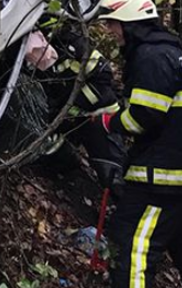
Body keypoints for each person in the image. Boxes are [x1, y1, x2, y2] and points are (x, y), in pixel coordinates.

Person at [95, 0, 182, 288]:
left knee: (134, 252)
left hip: (165, 182)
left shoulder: (150, 57)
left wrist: (108, 123)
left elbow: (143, 118)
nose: (110, 31)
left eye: (113, 23)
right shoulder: (170, 51)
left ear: (129, 21)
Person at [28, 25, 125, 189]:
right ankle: (70, 178)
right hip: (68, 117)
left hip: (99, 115)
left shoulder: (74, 44)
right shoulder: (30, 61)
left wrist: (73, 105)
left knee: (112, 172)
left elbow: (103, 74)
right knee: (52, 148)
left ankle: (121, 200)